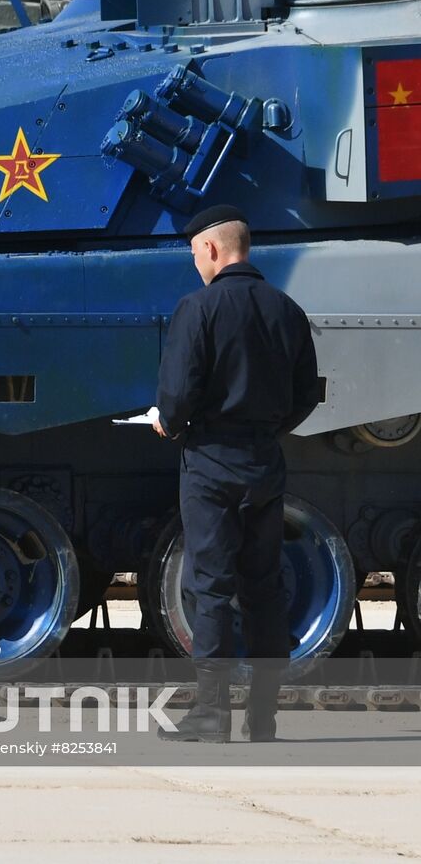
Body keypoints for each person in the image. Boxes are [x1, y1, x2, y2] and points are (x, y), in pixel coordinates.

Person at [153, 204, 319, 744]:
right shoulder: (287, 310)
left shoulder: (197, 309)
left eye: (195, 254)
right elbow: (305, 395)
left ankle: (211, 715)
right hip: (265, 464)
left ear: (210, 249)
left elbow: (176, 396)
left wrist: (170, 424)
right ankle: (263, 719)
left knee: (210, 586)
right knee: (264, 587)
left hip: (210, 464)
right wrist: (267, 429)